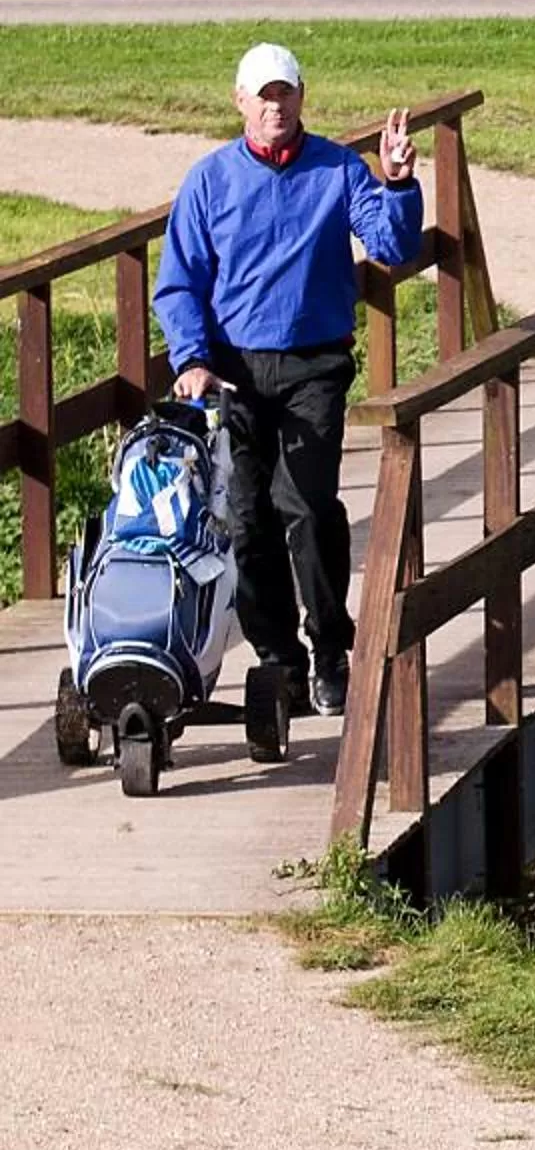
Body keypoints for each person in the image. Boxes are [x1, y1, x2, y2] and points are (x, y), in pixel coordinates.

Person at [153, 42, 422, 720]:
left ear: (302, 97)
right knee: (248, 520)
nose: (276, 106)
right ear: (241, 102)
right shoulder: (210, 180)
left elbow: (392, 248)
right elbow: (179, 282)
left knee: (305, 506)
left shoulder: (337, 168)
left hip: (315, 365)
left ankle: (332, 649)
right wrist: (191, 359)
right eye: (263, 95)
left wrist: (394, 184)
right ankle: (280, 663)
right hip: (235, 374)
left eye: (286, 93)